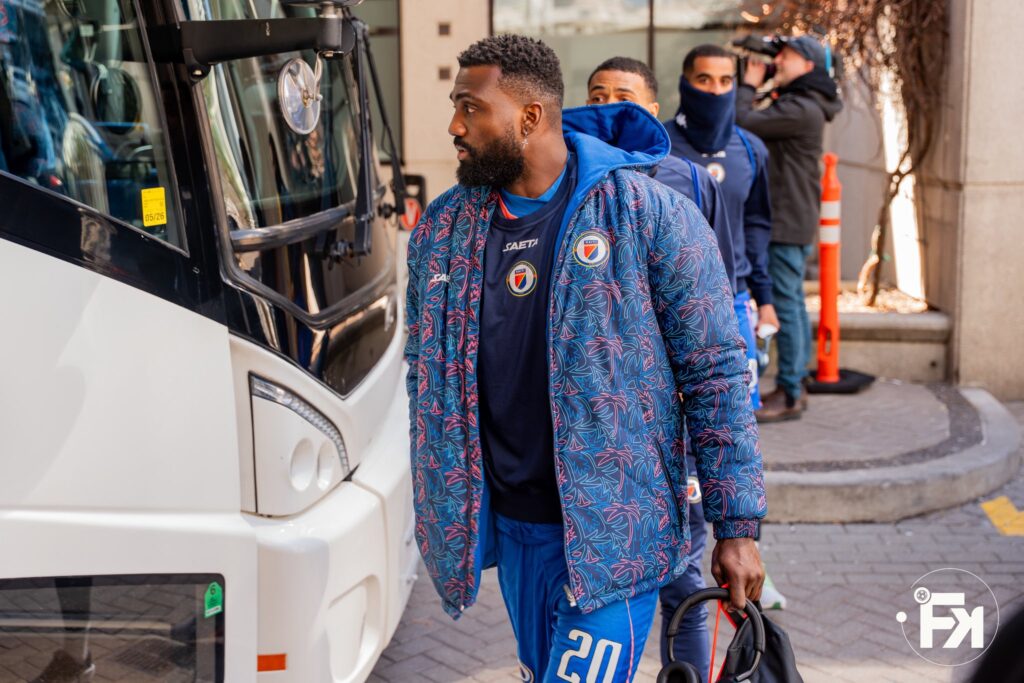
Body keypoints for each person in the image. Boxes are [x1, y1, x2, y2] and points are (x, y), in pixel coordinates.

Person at [405, 34, 767, 683]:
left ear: (530, 117)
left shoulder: (651, 213)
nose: (455, 125)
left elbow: (715, 371)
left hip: (615, 541)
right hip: (516, 534)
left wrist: (735, 524)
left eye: (470, 107)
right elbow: (428, 377)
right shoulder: (443, 231)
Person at [664, 45, 777, 417]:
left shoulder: (751, 149)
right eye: (704, 79)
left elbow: (757, 225)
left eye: (725, 80)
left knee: (734, 417)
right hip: (668, 303)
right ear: (686, 83)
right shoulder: (658, 147)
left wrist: (766, 301)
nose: (714, 90)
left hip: (733, 301)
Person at [736, 36, 843, 422]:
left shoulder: (802, 108)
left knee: (786, 303)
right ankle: (791, 385)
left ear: (809, 67)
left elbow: (742, 121)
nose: (779, 60)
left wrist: (748, 83)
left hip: (786, 218)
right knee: (787, 300)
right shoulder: (798, 103)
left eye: (788, 56)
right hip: (786, 215)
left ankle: (792, 390)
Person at [585, 56, 735, 292]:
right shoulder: (567, 179)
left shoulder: (694, 180)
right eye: (598, 98)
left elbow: (720, 277)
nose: (608, 107)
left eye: (624, 99)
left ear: (652, 111)